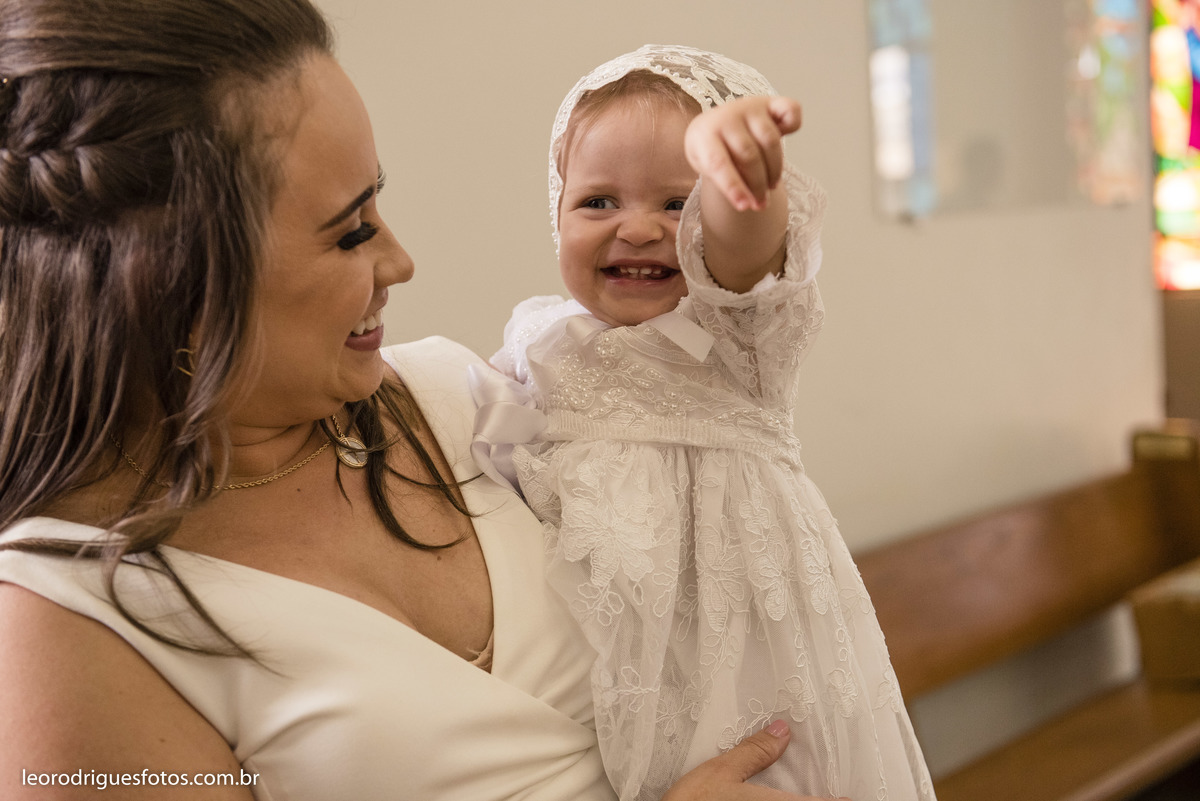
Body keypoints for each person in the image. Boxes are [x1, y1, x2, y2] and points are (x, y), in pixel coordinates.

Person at [0, 3, 839, 800]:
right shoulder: (64, 624)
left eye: (378, 201)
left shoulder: (467, 403)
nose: (401, 261)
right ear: (177, 283)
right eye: (351, 229)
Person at [471, 46, 935, 801]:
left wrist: (738, 186)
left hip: (739, 667)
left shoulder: (735, 342)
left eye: (677, 203)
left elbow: (742, 259)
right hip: (594, 666)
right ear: (554, 215)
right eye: (598, 202)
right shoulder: (541, 345)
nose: (639, 228)